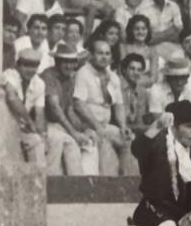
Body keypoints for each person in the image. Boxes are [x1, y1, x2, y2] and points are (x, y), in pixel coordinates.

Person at [73, 38, 130, 175]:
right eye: (100, 53)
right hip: (86, 125)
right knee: (104, 142)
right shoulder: (83, 73)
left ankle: (129, 180)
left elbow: (118, 105)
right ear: (91, 55)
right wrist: (96, 126)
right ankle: (108, 182)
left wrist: (123, 126)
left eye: (107, 54)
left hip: (104, 125)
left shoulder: (113, 76)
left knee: (128, 139)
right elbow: (79, 105)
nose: (104, 57)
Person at [43, 43, 97, 175]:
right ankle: (51, 185)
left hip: (58, 125)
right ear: (57, 62)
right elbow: (54, 107)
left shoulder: (69, 79)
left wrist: (83, 129)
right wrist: (73, 132)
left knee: (81, 142)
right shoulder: (49, 75)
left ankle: (80, 188)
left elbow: (69, 110)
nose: (69, 66)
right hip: (44, 123)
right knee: (62, 141)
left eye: (72, 62)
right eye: (65, 62)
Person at [145, 56, 191, 124]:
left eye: (183, 78)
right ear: (168, 78)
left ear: (187, 78)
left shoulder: (189, 90)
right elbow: (158, 119)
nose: (179, 82)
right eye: (175, 78)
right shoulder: (156, 90)